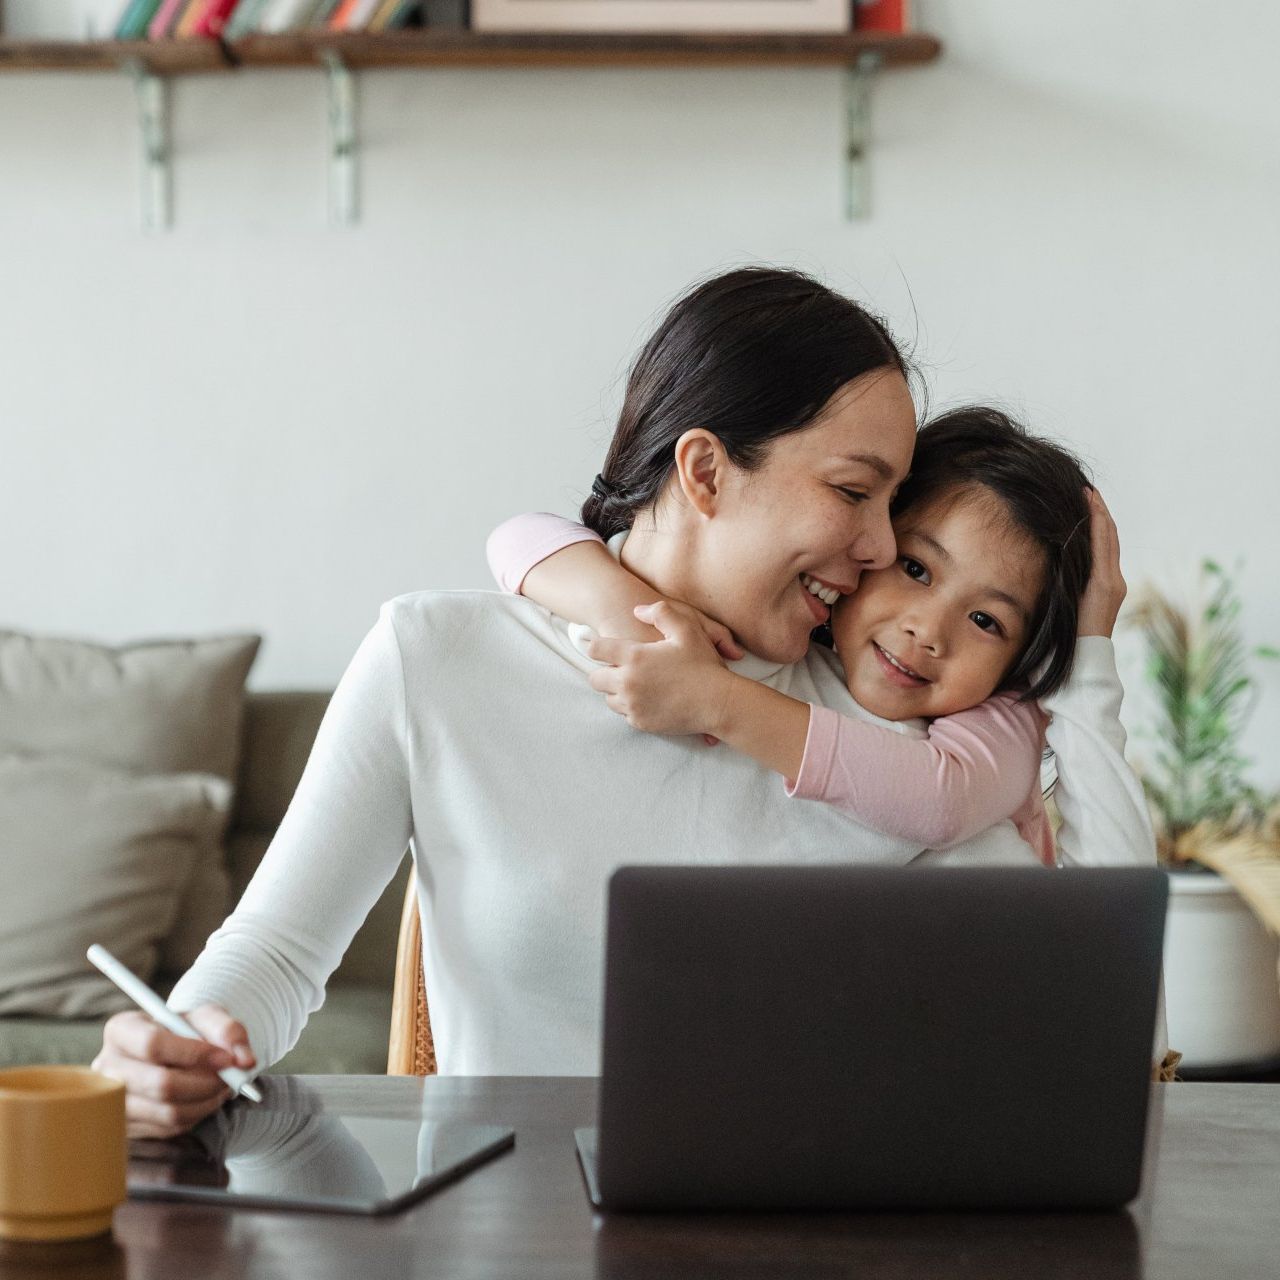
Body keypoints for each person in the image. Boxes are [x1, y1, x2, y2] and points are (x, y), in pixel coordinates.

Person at [93, 267, 1158, 1139]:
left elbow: (1107, 1019)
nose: (880, 549)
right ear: (703, 470)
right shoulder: (438, 658)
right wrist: (182, 1035)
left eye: (892, 505)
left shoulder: (899, 733)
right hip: (505, 1243)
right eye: (850, 491)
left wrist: (1089, 659)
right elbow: (276, 954)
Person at [485, 408, 1124, 863]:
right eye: (916, 568)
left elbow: (943, 801)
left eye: (988, 621)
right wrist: (627, 609)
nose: (927, 632)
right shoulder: (798, 636)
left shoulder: (1003, 714)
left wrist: (717, 701)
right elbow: (517, 535)